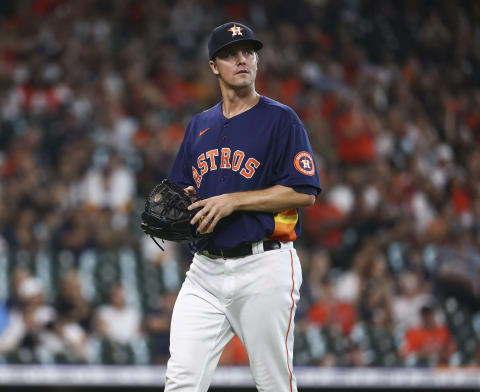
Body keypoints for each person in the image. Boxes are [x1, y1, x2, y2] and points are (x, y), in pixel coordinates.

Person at [165, 22, 321, 392]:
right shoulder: (199, 125)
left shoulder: (281, 119)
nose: (242, 59)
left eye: (249, 52)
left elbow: (305, 191)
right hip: (204, 271)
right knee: (181, 381)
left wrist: (235, 200)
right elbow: (179, 189)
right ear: (213, 66)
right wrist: (183, 202)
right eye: (231, 54)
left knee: (273, 384)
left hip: (264, 265)